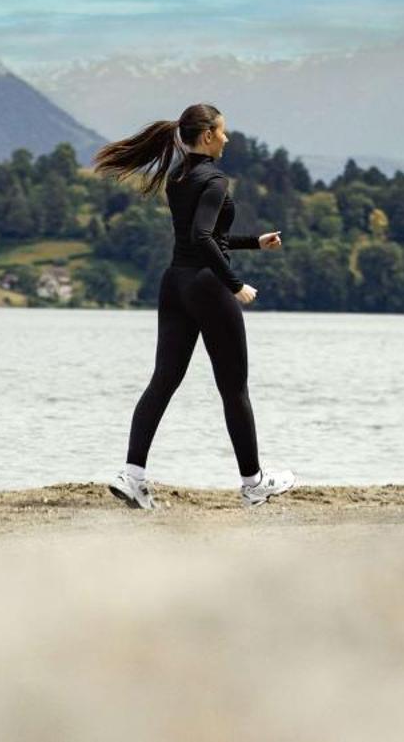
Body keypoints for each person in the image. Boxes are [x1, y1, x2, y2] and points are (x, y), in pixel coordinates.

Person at [91, 102, 296, 510]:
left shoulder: (179, 176)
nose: (227, 137)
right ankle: (253, 483)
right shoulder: (216, 179)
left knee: (163, 381)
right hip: (206, 287)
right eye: (222, 131)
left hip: (175, 285)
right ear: (207, 136)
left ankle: (132, 476)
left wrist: (254, 242)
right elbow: (204, 237)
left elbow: (201, 237)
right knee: (234, 387)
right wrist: (235, 285)